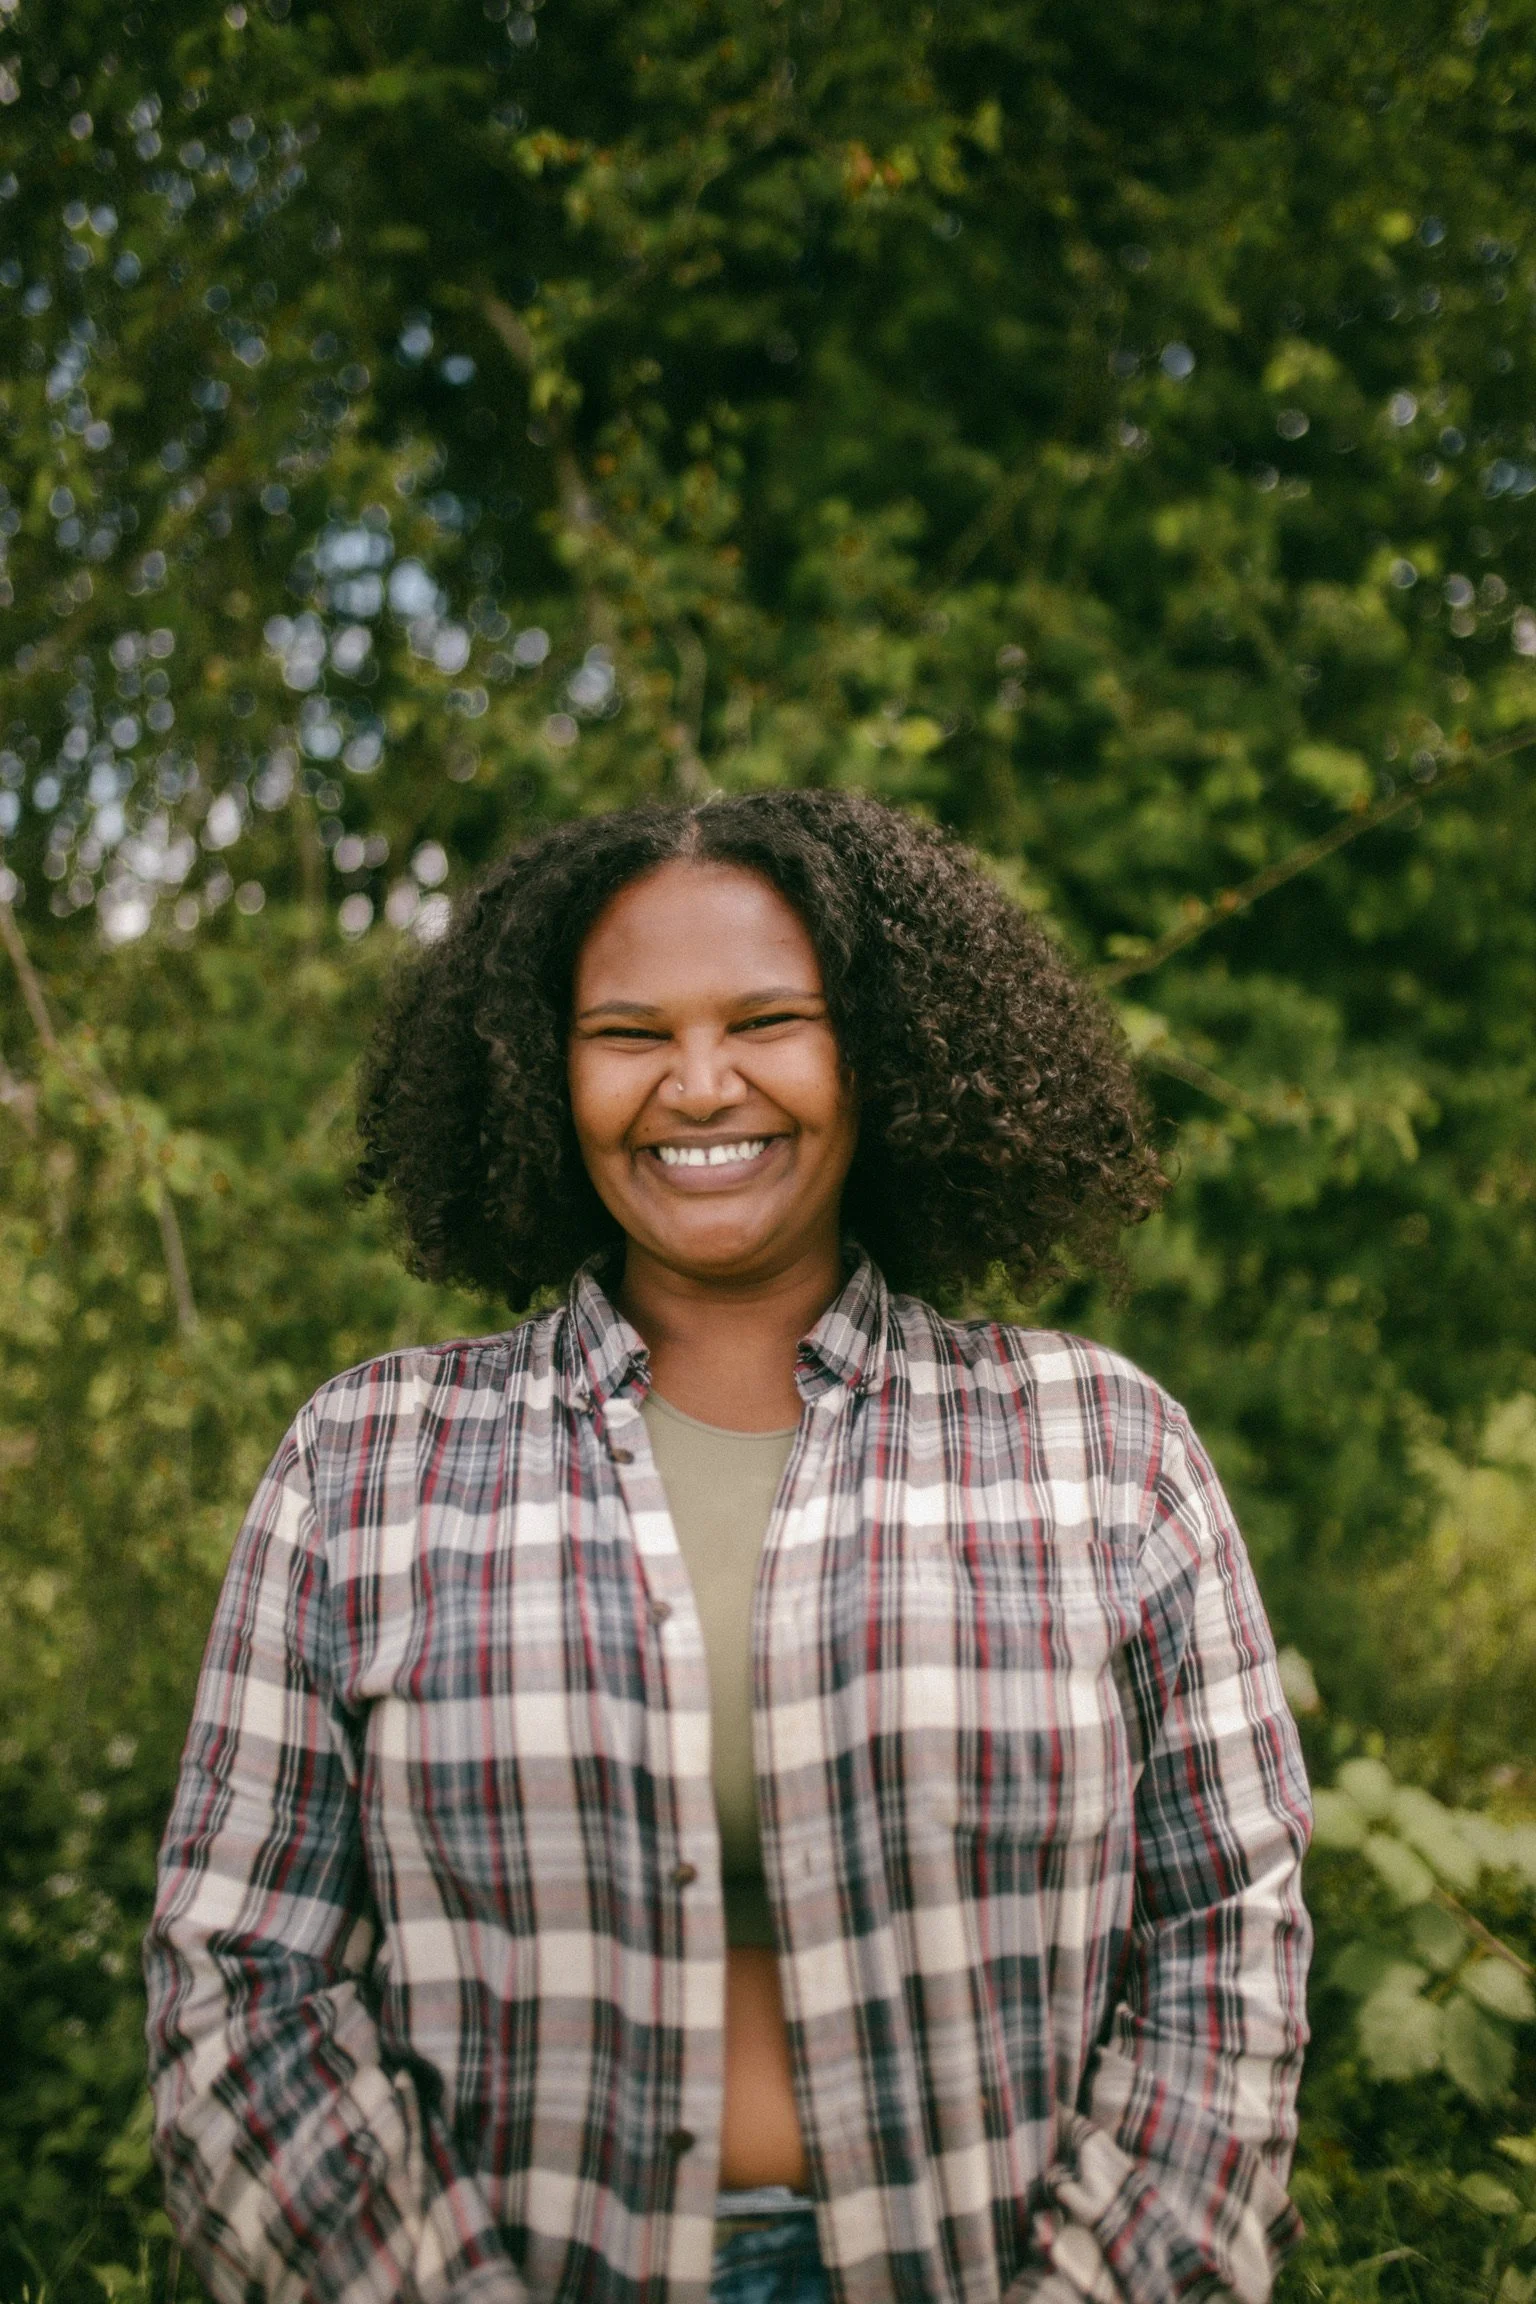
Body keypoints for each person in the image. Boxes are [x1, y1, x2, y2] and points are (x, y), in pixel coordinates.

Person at [145, 789, 1311, 2304]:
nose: (699, 1085)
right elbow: (241, 1971)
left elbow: (1229, 1936)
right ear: (540, 1073)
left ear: (876, 1053)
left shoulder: (1108, 1449)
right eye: (630, 1034)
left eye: (769, 1019)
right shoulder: (366, 1465)